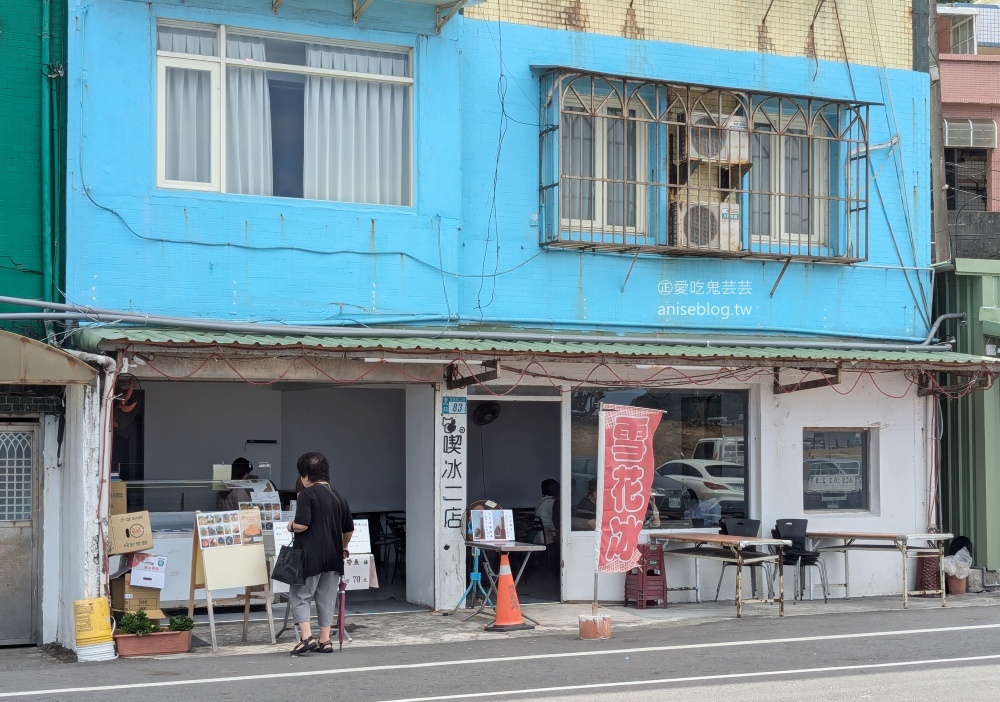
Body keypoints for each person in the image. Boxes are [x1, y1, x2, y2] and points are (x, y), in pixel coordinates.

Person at [286, 451, 354, 655]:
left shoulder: (307, 494)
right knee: (326, 598)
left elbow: (302, 525)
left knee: (300, 595)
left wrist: (290, 525)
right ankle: (325, 640)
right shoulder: (338, 495)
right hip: (333, 557)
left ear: (306, 475)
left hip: (310, 555)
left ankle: (306, 638)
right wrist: (343, 547)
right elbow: (348, 528)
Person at [573, 478, 660, 530]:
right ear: (595, 494)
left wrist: (653, 505)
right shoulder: (585, 506)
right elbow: (594, 525)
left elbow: (656, 524)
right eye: (605, 493)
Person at [534, 478, 560, 545]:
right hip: (548, 534)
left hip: (539, 533)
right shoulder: (554, 502)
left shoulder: (542, 500)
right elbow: (557, 519)